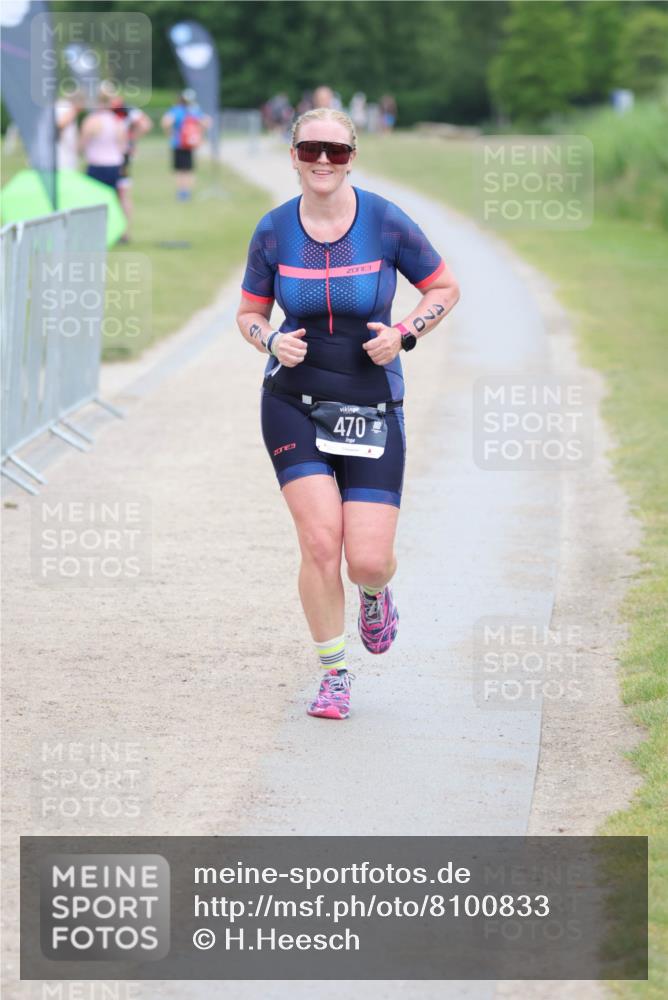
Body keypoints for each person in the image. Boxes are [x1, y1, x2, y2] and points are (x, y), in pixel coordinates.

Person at [236, 108, 459, 721]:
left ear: (353, 155)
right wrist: (269, 341)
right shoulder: (274, 231)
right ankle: (334, 674)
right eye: (312, 149)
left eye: (336, 150)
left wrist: (406, 333)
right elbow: (250, 313)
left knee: (364, 557)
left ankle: (374, 592)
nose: (323, 161)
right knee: (318, 541)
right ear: (294, 154)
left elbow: (444, 288)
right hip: (293, 402)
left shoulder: (385, 221)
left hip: (372, 403)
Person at [110, 96, 152, 241]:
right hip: (116, 157)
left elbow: (145, 124)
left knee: (120, 194)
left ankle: (123, 232)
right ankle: (122, 232)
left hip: (118, 157)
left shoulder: (126, 110)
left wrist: (131, 140)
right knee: (120, 194)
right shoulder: (122, 109)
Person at [161, 89, 211, 200]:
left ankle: (181, 192)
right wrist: (200, 133)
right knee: (189, 169)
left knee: (180, 170)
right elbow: (207, 122)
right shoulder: (194, 110)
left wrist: (170, 134)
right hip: (190, 144)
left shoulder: (176, 110)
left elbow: (166, 122)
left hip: (178, 144)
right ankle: (187, 192)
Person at [79, 83, 127, 193]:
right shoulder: (117, 121)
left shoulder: (91, 120)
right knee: (112, 198)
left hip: (97, 165)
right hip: (114, 164)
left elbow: (82, 144)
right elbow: (122, 146)